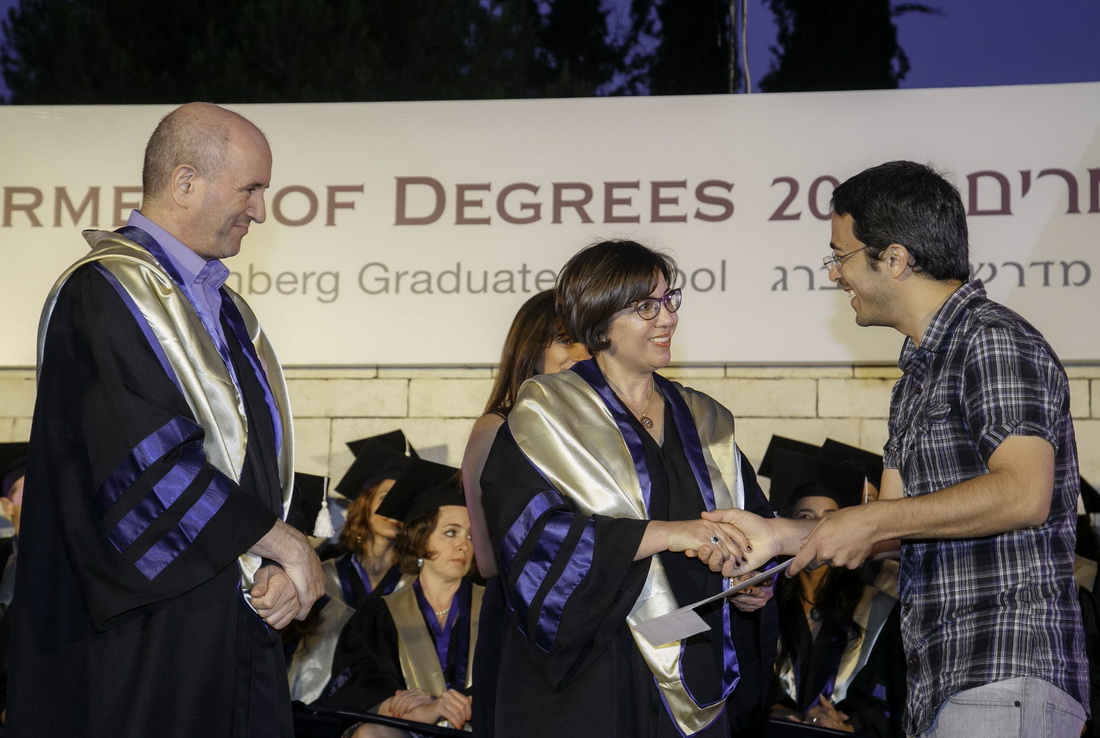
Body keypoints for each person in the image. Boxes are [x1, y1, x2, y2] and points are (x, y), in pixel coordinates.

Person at [703, 161, 1089, 737]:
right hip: (938, 681)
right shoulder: (913, 382)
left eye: (841, 255)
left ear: (895, 258)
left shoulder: (991, 339)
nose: (835, 274)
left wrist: (874, 518)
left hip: (1006, 666)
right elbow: (886, 531)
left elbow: (1024, 493)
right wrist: (780, 536)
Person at [7, 102, 324, 737]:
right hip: (146, 634)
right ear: (184, 181)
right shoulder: (104, 293)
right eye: (250, 189)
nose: (260, 210)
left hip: (228, 622)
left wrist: (272, 567)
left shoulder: (225, 309)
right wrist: (286, 544)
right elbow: (141, 463)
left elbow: (249, 468)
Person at [478, 240, 774, 737]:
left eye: (669, 300)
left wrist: (754, 579)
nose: (668, 318)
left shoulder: (704, 420)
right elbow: (533, 545)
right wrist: (668, 533)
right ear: (599, 322)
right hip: (588, 677)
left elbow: (752, 519)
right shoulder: (546, 416)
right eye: (645, 307)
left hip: (690, 656)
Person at [459, 288, 589, 736]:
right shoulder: (498, 427)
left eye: (589, 341)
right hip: (524, 623)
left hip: (589, 624)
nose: (581, 354)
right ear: (531, 346)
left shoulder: (600, 434)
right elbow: (489, 559)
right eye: (566, 340)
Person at [321, 459, 480, 736]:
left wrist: (459, 702)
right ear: (420, 538)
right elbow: (357, 679)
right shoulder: (379, 615)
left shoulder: (496, 608)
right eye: (450, 533)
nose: (463, 546)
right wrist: (404, 704)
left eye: (471, 536)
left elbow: (515, 676)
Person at [765, 448, 904, 737]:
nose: (819, 528)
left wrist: (849, 723)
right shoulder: (764, 602)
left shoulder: (877, 607)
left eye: (830, 518)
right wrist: (779, 711)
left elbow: (887, 691)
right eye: (805, 517)